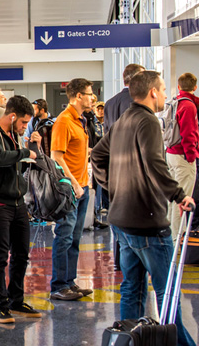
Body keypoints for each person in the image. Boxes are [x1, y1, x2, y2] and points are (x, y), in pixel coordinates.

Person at [91, 70, 196, 346]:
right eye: (162, 90)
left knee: (132, 289)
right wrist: (178, 194)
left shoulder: (123, 119)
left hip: (122, 220)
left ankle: (130, 340)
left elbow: (97, 155)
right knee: (167, 292)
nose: (164, 95)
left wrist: (114, 186)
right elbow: (154, 162)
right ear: (152, 92)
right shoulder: (148, 121)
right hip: (147, 222)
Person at [0, 95, 43, 324]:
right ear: (12, 117)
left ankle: (16, 300)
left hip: (17, 202)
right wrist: (25, 153)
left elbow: (16, 163)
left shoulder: (13, 134)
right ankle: (0, 305)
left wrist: (33, 147)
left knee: (22, 254)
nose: (25, 127)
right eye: (23, 123)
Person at [49, 78, 94, 301]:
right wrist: (75, 184)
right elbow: (56, 157)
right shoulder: (64, 121)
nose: (92, 97)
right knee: (64, 237)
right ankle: (58, 285)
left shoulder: (80, 120)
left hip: (82, 186)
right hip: (69, 189)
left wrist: (85, 182)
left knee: (75, 238)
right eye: (89, 93)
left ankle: (69, 281)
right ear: (78, 96)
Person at [166, 73, 199, 242]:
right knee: (183, 199)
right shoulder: (189, 106)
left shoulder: (175, 102)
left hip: (171, 153)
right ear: (194, 87)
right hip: (182, 156)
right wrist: (192, 156)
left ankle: (172, 234)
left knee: (174, 197)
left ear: (179, 87)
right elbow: (189, 134)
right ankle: (176, 239)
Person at [84, 95, 108, 230]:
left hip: (94, 156)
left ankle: (93, 215)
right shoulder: (82, 120)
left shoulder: (91, 120)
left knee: (95, 184)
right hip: (85, 157)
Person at [103, 63, 145, 131]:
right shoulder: (137, 101)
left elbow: (106, 130)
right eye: (143, 77)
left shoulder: (109, 103)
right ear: (136, 79)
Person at [93, 101, 109, 215]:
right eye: (98, 109)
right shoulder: (92, 124)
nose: (100, 111)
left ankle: (107, 205)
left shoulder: (108, 123)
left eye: (102, 109)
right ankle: (96, 206)